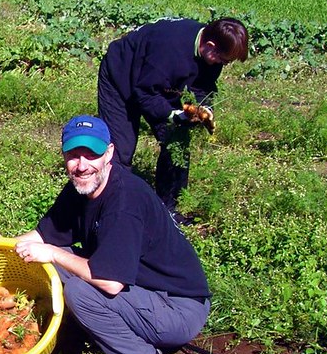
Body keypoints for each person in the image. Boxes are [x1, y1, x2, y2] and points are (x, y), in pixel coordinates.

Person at [0, 115, 211, 354]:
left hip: (177, 308)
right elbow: (44, 237)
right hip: (141, 291)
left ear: (109, 154)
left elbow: (110, 282)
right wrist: (0, 243)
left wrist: (51, 254)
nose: (82, 166)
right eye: (73, 155)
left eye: (91, 155)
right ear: (63, 155)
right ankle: (87, 321)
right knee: (55, 260)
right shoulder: (80, 188)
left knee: (79, 290)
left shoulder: (124, 202)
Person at [96, 17, 248, 221]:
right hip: (121, 79)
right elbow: (145, 93)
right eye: (223, 60)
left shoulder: (210, 54)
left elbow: (202, 86)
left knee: (176, 143)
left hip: (158, 82)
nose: (223, 65)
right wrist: (173, 115)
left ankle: (169, 210)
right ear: (210, 46)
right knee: (121, 148)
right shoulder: (170, 49)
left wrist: (203, 108)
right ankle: (112, 209)